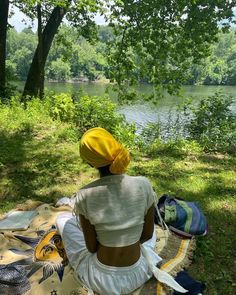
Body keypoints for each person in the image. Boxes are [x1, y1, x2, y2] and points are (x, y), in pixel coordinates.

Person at [56, 127, 186, 295]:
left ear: (90, 163)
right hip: (139, 272)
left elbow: (92, 248)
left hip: (101, 280)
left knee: (63, 220)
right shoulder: (144, 185)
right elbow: (146, 236)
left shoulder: (84, 195)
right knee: (148, 231)